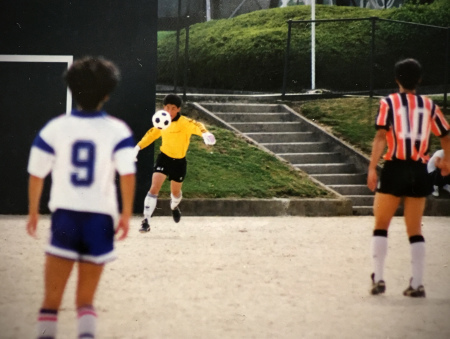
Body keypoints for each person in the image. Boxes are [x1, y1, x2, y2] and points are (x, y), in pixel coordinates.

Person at [26, 57, 136, 338]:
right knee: (85, 302)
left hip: (66, 216)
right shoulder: (118, 131)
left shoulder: (55, 128)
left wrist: (34, 212)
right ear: (108, 93)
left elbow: (37, 173)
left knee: (51, 302)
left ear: (71, 89)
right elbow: (127, 174)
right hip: (100, 218)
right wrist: (125, 215)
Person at [367, 58, 450, 298]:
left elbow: (381, 136)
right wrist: (447, 161)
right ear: (420, 80)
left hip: (394, 167)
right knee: (415, 230)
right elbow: (445, 135)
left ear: (396, 80)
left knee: (381, 225)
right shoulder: (430, 106)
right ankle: (417, 283)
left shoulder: (388, 103)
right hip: (418, 169)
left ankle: (379, 277)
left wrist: (372, 167)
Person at [134, 94, 216, 232]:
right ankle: (146, 221)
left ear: (178, 109)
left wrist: (205, 134)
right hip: (164, 158)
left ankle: (174, 206)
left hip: (179, 162)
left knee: (176, 193)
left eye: (173, 108)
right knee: (154, 187)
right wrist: (137, 147)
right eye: (166, 107)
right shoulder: (162, 122)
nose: (169, 111)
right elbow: (151, 134)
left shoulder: (184, 123)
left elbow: (197, 126)